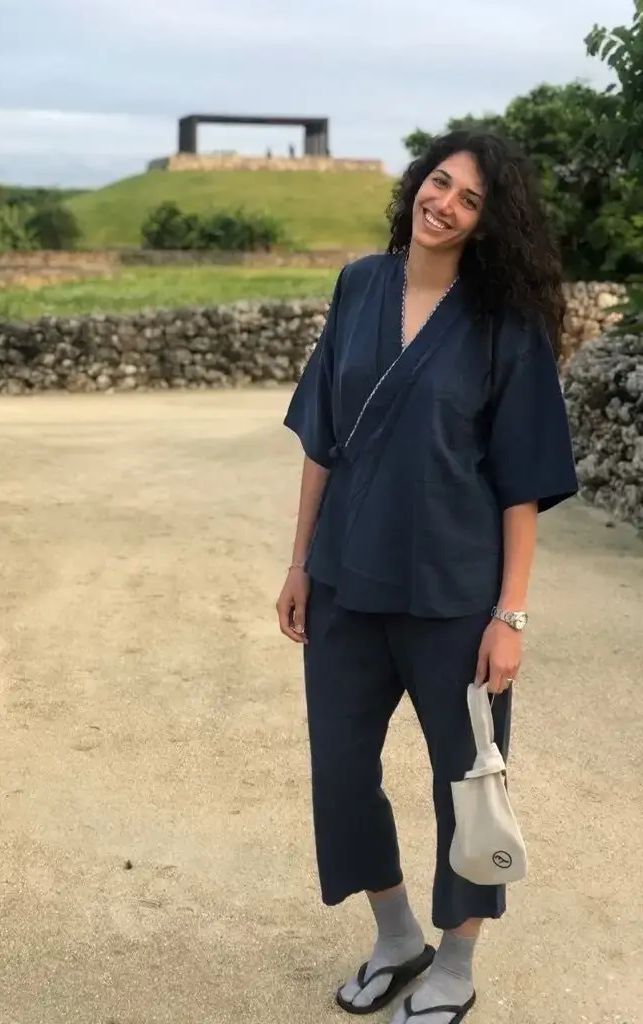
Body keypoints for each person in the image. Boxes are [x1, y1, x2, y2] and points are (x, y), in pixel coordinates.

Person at [276, 130, 579, 1024]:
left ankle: (456, 962)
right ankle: (396, 934)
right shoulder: (360, 284)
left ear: (488, 224)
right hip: (344, 584)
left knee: (469, 781)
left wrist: (510, 617)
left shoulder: (505, 324)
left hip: (454, 596)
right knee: (338, 770)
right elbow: (322, 438)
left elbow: (521, 481)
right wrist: (299, 560)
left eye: (469, 198)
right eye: (437, 182)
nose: (443, 202)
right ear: (417, 184)